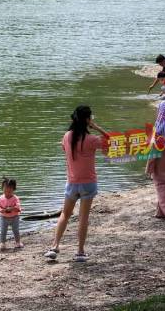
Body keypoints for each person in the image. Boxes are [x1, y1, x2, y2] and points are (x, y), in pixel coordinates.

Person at [44, 105, 109, 263]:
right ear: (88, 120)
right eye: (91, 118)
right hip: (88, 184)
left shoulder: (67, 136)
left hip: (72, 183)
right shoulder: (92, 140)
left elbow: (63, 148)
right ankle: (80, 252)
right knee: (83, 218)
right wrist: (97, 127)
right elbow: (110, 141)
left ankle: (55, 246)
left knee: (65, 214)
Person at [0, 178, 23, 250]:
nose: (7, 192)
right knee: (3, 231)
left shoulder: (15, 198)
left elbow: (18, 207)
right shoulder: (1, 198)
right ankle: (2, 243)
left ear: (13, 190)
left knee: (16, 230)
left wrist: (12, 208)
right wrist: (0, 210)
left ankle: (18, 242)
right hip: (4, 218)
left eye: (9, 191)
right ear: (2, 189)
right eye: (5, 190)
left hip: (14, 217)